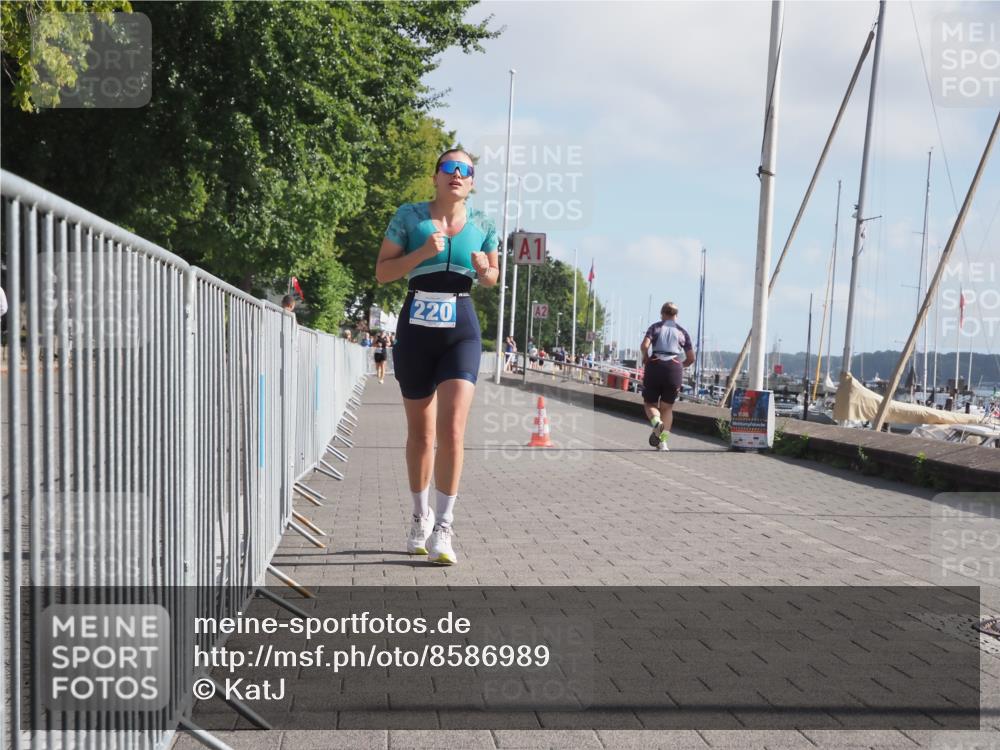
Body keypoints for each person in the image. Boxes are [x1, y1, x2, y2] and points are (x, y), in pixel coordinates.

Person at [375, 148, 500, 565]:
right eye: (450, 168)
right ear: (436, 176)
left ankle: (444, 528)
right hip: (416, 324)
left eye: (466, 171)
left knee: (453, 432)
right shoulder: (409, 217)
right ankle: (419, 515)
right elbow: (383, 272)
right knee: (422, 435)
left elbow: (493, 277)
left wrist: (485, 271)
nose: (457, 175)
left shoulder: (483, 224)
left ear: (472, 182)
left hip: (460, 326)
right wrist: (421, 253)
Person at [640, 301, 695, 451]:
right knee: (667, 408)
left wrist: (645, 356)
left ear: (662, 314)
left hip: (655, 365)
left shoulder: (655, 327)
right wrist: (679, 367)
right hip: (674, 367)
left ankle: (657, 423)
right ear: (676, 316)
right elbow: (691, 358)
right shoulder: (682, 332)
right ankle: (663, 442)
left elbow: (644, 345)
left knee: (650, 403)